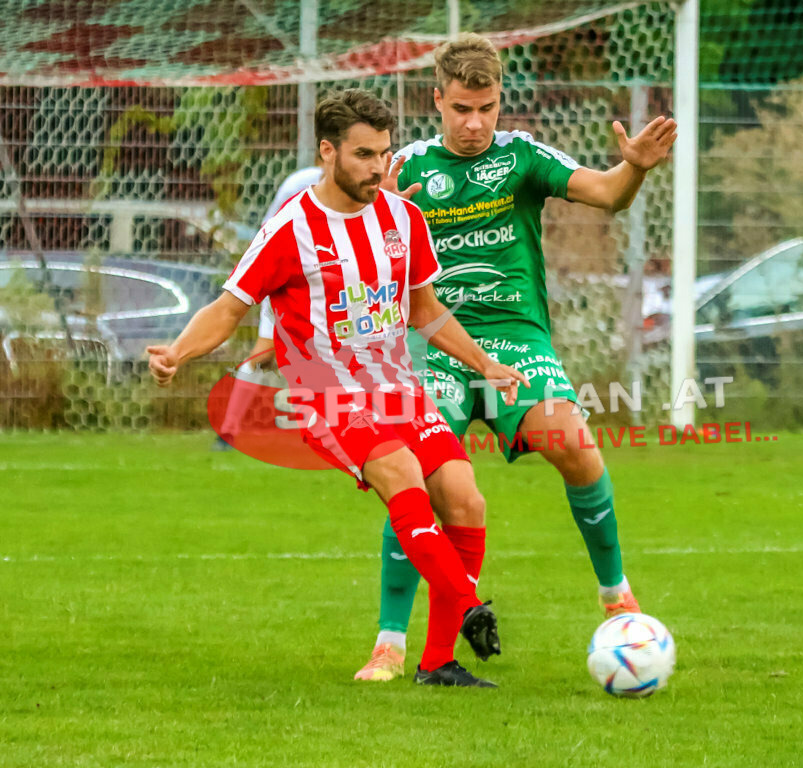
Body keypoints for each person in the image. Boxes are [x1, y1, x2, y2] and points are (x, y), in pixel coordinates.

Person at [148, 88, 530, 688]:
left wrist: (484, 363)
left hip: (398, 387)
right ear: (328, 152)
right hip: (328, 397)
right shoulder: (291, 229)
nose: (378, 167)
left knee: (465, 497)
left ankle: (437, 663)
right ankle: (468, 606)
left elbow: (424, 310)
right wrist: (177, 351)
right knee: (402, 473)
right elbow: (227, 310)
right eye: (362, 155)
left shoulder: (403, 218)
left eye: (383, 152)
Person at [353, 34, 677, 682]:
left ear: (501, 103)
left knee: (574, 440)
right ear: (437, 100)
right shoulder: (406, 168)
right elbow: (364, 264)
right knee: (413, 472)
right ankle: (390, 642)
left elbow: (607, 193)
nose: (475, 124)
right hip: (433, 345)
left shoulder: (522, 156)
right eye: (463, 108)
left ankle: (615, 591)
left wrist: (635, 166)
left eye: (488, 108)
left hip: (515, 342)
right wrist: (379, 214)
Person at [213, 164, 325, 450]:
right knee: (263, 354)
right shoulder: (300, 182)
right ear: (327, 152)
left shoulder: (361, 185)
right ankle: (228, 430)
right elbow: (271, 227)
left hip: (328, 283)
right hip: (289, 281)